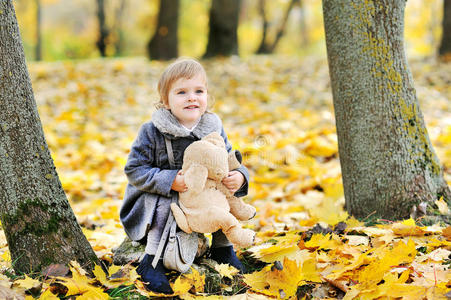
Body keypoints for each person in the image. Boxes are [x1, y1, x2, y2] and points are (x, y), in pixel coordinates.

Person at [119, 58, 251, 294]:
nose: (192, 97)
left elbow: (229, 159)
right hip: (156, 198)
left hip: (198, 198)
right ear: (166, 102)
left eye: (198, 91)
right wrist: (170, 181)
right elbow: (134, 170)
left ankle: (223, 249)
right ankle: (152, 261)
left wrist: (239, 176)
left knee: (223, 188)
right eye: (181, 92)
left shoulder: (213, 126)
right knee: (165, 203)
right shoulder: (151, 131)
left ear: (207, 95)